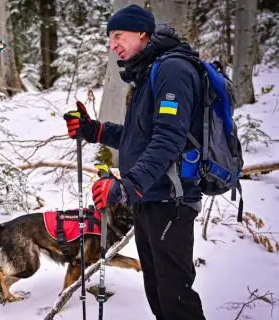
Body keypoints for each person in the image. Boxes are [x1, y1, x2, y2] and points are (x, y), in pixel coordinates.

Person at [64, 4, 207, 320]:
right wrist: (95, 130)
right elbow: (138, 136)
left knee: (176, 297)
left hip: (171, 200)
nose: (113, 44)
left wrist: (127, 185)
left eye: (118, 35)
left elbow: (168, 140)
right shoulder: (149, 73)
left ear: (143, 33)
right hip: (149, 198)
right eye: (109, 38)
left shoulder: (172, 71)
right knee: (157, 291)